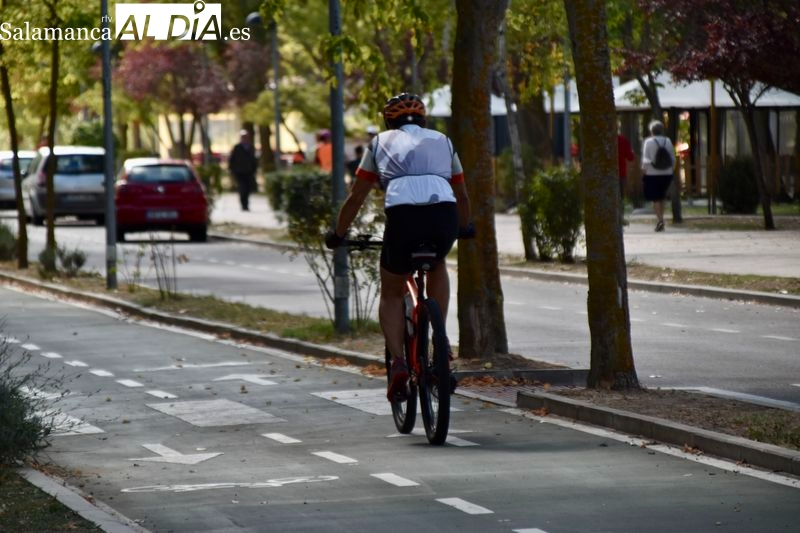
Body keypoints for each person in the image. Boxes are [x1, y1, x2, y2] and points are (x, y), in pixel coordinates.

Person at [324, 93, 473, 402]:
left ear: (388, 120)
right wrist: (464, 226)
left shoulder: (379, 143)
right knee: (440, 263)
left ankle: (401, 364)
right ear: (424, 120)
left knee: (392, 290)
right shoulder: (443, 141)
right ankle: (441, 343)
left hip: (403, 217)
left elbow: (357, 195)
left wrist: (338, 233)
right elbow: (462, 194)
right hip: (443, 212)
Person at [641, 120, 675, 232]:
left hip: (652, 173)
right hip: (667, 173)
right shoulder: (668, 141)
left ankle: (660, 220)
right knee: (662, 197)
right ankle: (661, 218)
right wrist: (671, 170)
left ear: (651, 131)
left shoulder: (649, 142)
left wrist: (644, 171)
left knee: (655, 198)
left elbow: (646, 159)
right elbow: (672, 158)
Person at [228, 129, 258, 211]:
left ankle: (246, 203)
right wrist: (231, 169)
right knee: (242, 187)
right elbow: (232, 159)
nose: (245, 138)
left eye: (246, 137)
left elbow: (254, 160)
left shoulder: (251, 147)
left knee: (248, 188)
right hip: (239, 171)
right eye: (243, 137)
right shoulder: (237, 147)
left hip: (249, 171)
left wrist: (254, 169)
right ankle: (243, 205)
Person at [617, 132, 634, 225]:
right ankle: (620, 217)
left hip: (604, 174)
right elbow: (630, 157)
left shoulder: (599, 140)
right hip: (620, 173)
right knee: (620, 196)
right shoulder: (622, 139)